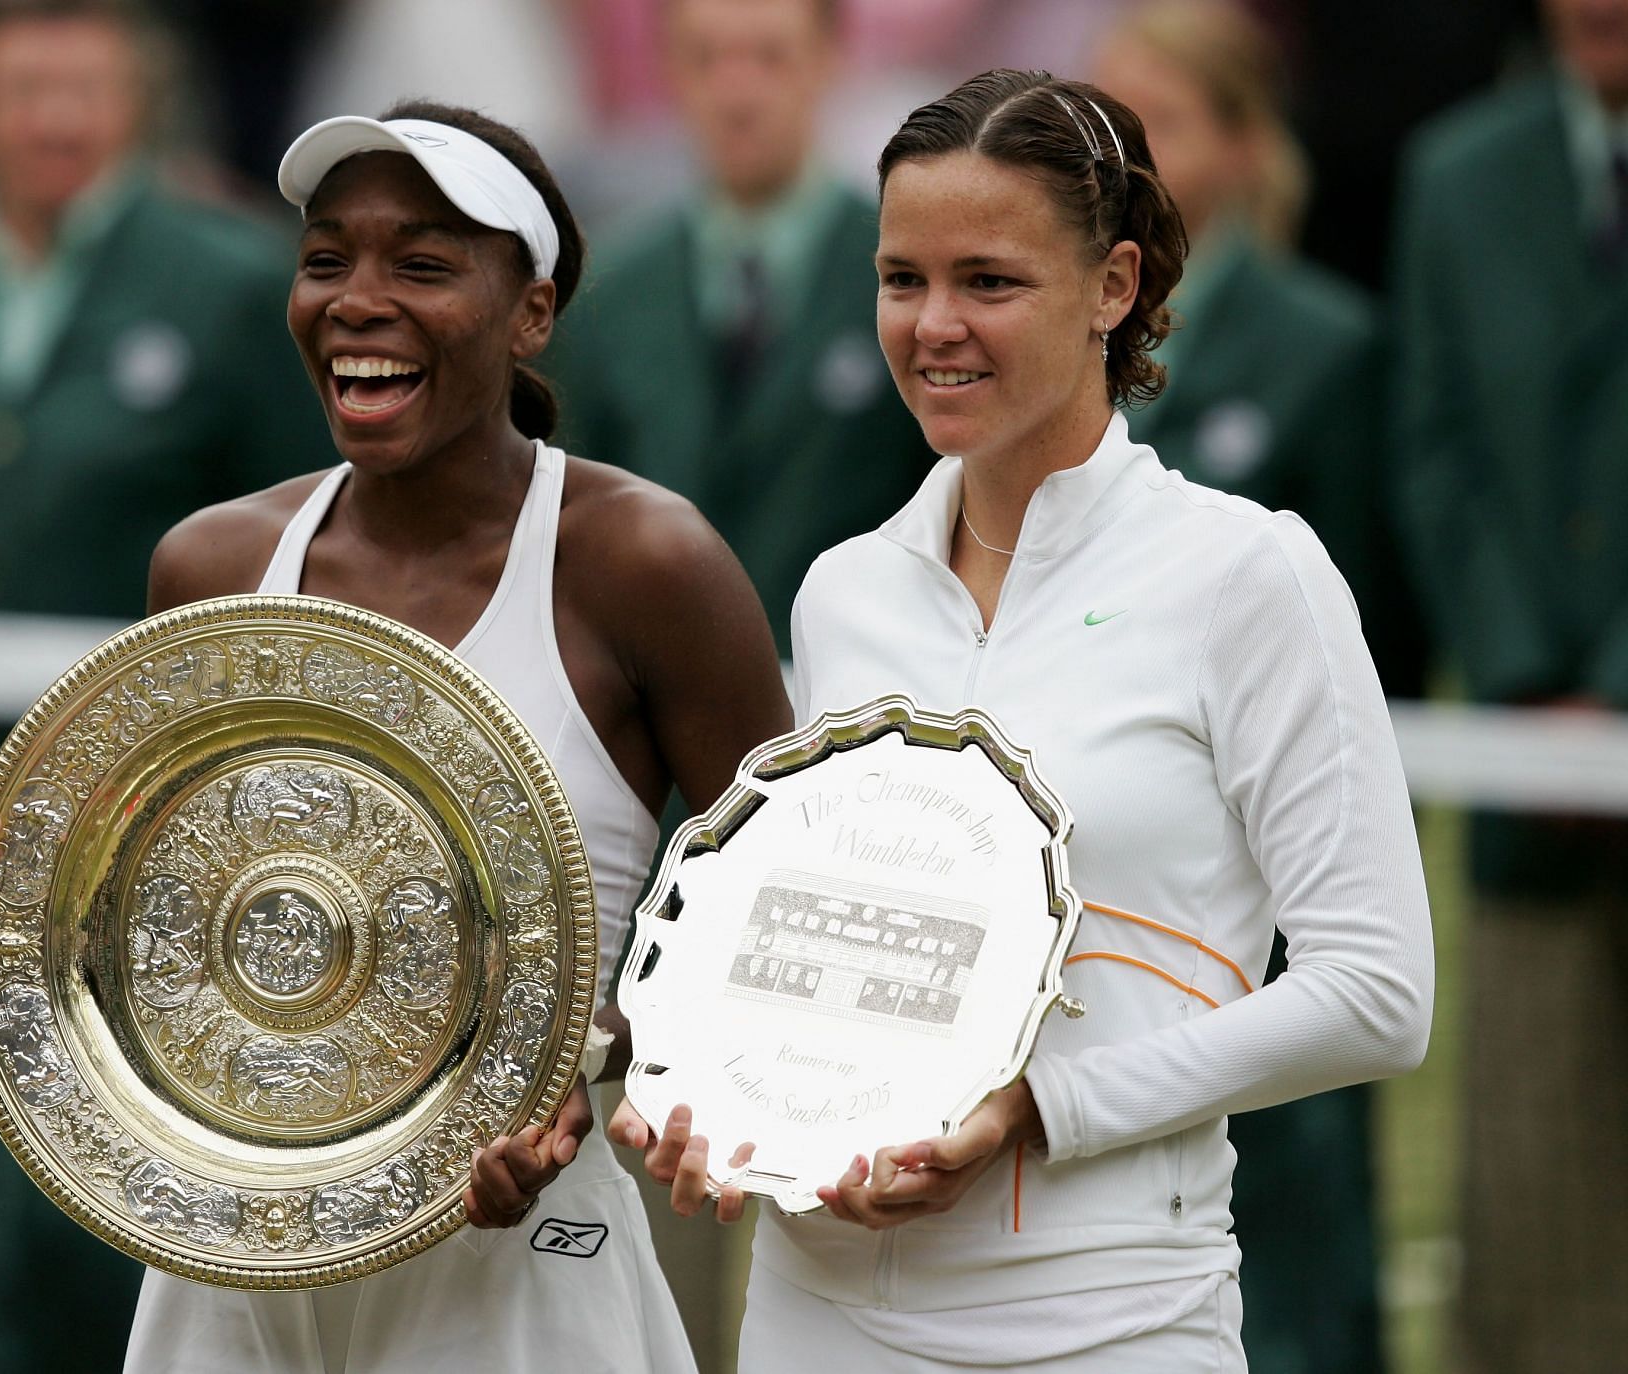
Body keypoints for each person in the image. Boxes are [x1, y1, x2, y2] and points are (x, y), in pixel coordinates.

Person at [0, 99, 794, 1372]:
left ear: (531, 310)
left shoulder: (644, 560)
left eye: (423, 265)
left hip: (524, 1265)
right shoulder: (211, 566)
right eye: (327, 258)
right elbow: (160, 924)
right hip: (232, 1252)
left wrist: (587, 1068)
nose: (357, 298)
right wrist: (13, 863)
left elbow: (779, 918)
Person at [614, 69, 1434, 1371]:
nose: (934, 325)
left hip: (1111, 1318)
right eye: (901, 279)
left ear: (1114, 287)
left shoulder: (1246, 573)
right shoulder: (846, 590)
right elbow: (814, 951)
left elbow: (1378, 992)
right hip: (813, 1312)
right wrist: (705, 1091)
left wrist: (1038, 1108)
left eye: (989, 281)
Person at [0, 3, 331, 1371]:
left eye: (84, 84)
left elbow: (304, 551)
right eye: (25, 85)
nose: (54, 116)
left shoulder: (234, 281)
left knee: (97, 1234)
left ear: (137, 98)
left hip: (137, 859)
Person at [1090, 6, 1428, 1369]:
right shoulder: (1061, 338)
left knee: (1291, 1188)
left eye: (1155, 119)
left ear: (1241, 142)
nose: (1121, 152)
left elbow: (1378, 635)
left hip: (1276, 850)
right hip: (1115, 847)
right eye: (1101, 118)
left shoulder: (1331, 344)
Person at [1393, 1, 1628, 1368]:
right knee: (1529, 1205)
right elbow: (1436, 450)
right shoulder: (1458, 174)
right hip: (1525, 781)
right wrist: (1534, 687)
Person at [545, 0, 931, 658]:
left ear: (832, 60)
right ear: (667, 69)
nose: (737, 92)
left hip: (862, 701)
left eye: (769, 56)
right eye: (706, 58)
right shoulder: (604, 291)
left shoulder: (915, 274)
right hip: (651, 708)